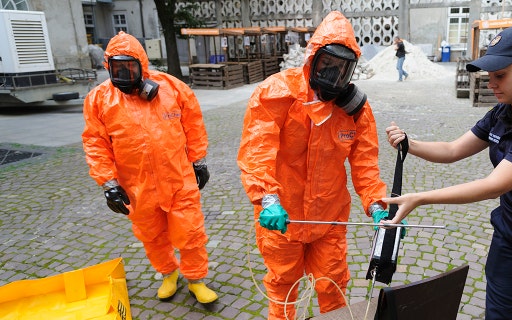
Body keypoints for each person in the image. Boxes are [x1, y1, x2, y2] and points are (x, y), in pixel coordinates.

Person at [383, 26, 512, 319]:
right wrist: (409, 143)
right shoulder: (503, 112)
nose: (491, 83)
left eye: (499, 74)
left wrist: (419, 198)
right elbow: (454, 150)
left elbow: (494, 185)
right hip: (510, 236)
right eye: (488, 75)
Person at [237, 11, 392, 319]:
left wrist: (376, 204)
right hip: (283, 219)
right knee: (283, 288)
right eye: (327, 67)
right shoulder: (276, 93)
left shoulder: (355, 110)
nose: (333, 77)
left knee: (333, 286)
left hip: (329, 219)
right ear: (314, 60)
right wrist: (267, 198)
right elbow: (258, 149)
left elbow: (365, 163)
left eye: (342, 70)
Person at [82, 31, 218, 306]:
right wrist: (108, 184)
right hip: (136, 185)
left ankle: (195, 279)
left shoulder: (172, 88)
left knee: (190, 231)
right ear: (108, 66)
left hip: (178, 177)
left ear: (141, 66)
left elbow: (193, 124)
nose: (123, 73)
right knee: (151, 235)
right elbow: (95, 142)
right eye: (117, 68)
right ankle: (168, 273)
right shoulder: (99, 99)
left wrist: (198, 160)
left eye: (129, 67)